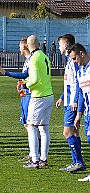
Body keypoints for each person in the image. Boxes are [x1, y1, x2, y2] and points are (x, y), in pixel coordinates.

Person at [0, 37, 35, 162]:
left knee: (31, 125)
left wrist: (6, 72)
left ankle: (35, 153)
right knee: (26, 125)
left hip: (30, 95)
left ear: (24, 47)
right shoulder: (27, 60)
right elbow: (25, 78)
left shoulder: (31, 60)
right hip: (24, 95)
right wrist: (20, 84)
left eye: (20, 46)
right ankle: (33, 152)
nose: (19, 48)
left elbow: (26, 75)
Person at [55, 34, 86, 172]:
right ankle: (77, 162)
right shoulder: (69, 61)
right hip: (68, 101)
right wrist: (62, 97)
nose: (59, 47)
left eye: (60, 45)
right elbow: (70, 84)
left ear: (66, 46)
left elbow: (79, 83)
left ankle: (78, 161)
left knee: (67, 132)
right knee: (74, 132)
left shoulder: (73, 62)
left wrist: (74, 101)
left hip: (72, 102)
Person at [22, 35, 53, 169]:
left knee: (31, 126)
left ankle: (34, 160)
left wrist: (25, 84)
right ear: (39, 44)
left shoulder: (33, 58)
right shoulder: (45, 56)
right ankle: (43, 158)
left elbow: (34, 80)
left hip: (38, 96)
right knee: (44, 128)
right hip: (49, 95)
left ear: (28, 45)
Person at [72, 43, 90, 181]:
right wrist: (78, 115)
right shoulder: (80, 72)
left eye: (75, 58)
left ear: (82, 54)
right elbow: (81, 95)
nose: (74, 62)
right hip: (87, 115)